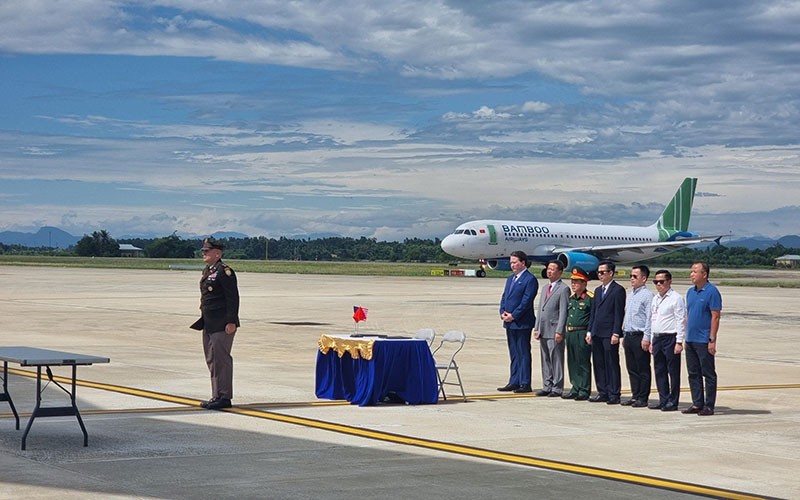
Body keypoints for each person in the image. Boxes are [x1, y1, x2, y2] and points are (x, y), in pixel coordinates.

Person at [190, 237, 240, 410]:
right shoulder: (208, 270)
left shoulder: (224, 271)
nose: (203, 253)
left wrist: (231, 321)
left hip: (222, 323)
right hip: (209, 323)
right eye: (203, 251)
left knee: (221, 360)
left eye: (207, 251)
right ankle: (216, 394)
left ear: (217, 253)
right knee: (212, 360)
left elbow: (232, 298)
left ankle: (224, 397)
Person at [683, 262, 722, 416]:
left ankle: (709, 405)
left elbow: (716, 316)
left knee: (708, 373)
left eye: (694, 272)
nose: (691, 274)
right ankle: (697, 403)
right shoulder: (690, 292)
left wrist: (712, 340)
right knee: (693, 373)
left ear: (704, 274)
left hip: (703, 339)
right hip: (691, 339)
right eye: (691, 271)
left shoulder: (712, 292)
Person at [498, 250, 539, 393]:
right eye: (511, 263)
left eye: (515, 262)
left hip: (522, 322)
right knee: (514, 353)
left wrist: (514, 315)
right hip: (509, 322)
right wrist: (502, 312)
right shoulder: (510, 279)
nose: (512, 265)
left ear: (523, 263)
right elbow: (505, 297)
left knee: (523, 352)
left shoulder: (530, 279)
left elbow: (526, 301)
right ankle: (514, 381)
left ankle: (525, 382)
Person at [587, 260, 626, 404]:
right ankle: (602, 391)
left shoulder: (618, 290)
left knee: (611, 363)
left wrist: (616, 332)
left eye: (603, 272)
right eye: (598, 272)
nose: (600, 275)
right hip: (597, 332)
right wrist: (590, 331)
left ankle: (614, 393)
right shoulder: (598, 290)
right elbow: (594, 313)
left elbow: (618, 313)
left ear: (611, 273)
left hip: (609, 333)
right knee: (599, 363)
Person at [648, 269, 685, 412]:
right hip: (657, 337)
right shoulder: (655, 298)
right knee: (659, 370)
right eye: (656, 282)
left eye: (661, 282)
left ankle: (673, 400)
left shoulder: (676, 298)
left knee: (673, 371)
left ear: (669, 282)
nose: (659, 284)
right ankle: (663, 399)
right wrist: (651, 339)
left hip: (670, 337)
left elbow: (680, 320)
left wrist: (679, 341)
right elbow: (653, 319)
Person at [533, 260, 570, 397]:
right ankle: (547, 385)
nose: (549, 271)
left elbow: (563, 312)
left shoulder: (563, 289)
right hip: (543, 329)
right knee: (545, 359)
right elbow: (541, 309)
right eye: (548, 269)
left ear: (560, 272)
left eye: (553, 269)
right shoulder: (544, 288)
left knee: (556, 359)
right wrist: (537, 327)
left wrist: (560, 330)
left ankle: (557, 387)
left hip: (554, 330)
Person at [622, 265, 654, 407]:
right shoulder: (631, 294)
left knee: (642, 368)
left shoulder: (647, 296)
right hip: (629, 334)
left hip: (640, 335)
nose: (631, 279)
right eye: (631, 276)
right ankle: (635, 395)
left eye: (635, 276)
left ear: (644, 278)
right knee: (632, 368)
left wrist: (646, 337)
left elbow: (649, 318)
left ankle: (643, 397)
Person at [563, 267, 593, 401]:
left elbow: (593, 317)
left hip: (582, 332)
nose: (574, 284)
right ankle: (575, 387)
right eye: (572, 282)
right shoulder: (571, 298)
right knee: (572, 361)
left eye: (577, 282)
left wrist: (590, 332)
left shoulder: (589, 298)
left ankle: (584, 389)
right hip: (570, 332)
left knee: (583, 362)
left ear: (584, 283)